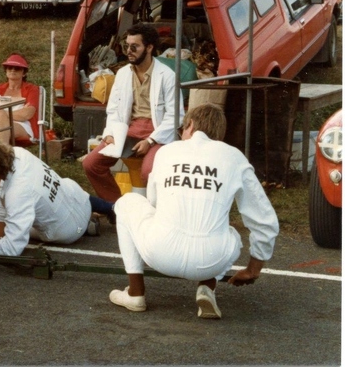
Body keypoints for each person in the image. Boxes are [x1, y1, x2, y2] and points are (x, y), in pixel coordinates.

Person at [108, 103, 280, 319]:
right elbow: (264, 219)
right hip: (210, 261)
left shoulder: (166, 151)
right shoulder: (234, 157)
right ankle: (207, 287)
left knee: (127, 202)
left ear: (190, 125)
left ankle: (135, 292)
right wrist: (254, 268)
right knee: (233, 235)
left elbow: (153, 202)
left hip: (160, 253)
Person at [81, 24, 182, 208]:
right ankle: (116, 207)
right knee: (91, 164)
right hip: (128, 131)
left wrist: (151, 141)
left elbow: (176, 116)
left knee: (148, 172)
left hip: (157, 133)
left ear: (149, 47)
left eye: (134, 46)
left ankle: (155, 213)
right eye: (126, 46)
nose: (129, 51)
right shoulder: (122, 74)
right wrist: (110, 133)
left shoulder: (167, 75)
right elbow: (113, 110)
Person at [0, 135, 104, 256]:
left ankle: (84, 225)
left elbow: (11, 249)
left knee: (13, 227)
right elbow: (3, 198)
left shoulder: (18, 193)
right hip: (81, 201)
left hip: (67, 232)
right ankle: (92, 218)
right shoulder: (18, 153)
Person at [0, 53, 39, 144]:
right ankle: (4, 151)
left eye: (17, 68)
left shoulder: (31, 89)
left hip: (23, 125)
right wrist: (4, 116)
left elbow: (27, 115)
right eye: (9, 67)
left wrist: (1, 115)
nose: (13, 70)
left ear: (24, 73)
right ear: (6, 71)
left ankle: (1, 152)